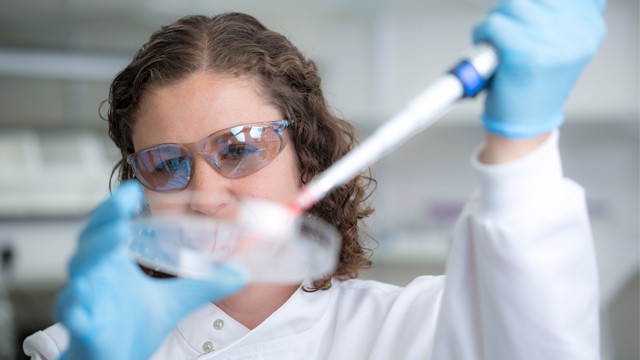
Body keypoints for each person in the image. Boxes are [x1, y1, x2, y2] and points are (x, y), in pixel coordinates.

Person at [23, 0, 606, 359]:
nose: (207, 194)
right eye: (167, 164)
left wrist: (522, 138)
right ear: (139, 189)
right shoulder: (78, 349)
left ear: (305, 155)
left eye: (240, 147)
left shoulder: (412, 330)